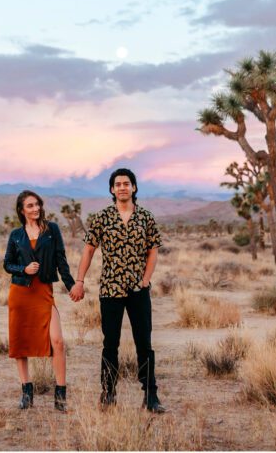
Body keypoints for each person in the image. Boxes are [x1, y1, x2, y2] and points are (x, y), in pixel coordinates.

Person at [70, 168, 165, 413]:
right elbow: (89, 250)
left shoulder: (146, 217)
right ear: (112, 190)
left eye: (127, 183)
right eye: (118, 184)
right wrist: (79, 281)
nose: (123, 187)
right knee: (110, 343)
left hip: (138, 288)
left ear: (134, 187)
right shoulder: (102, 218)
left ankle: (150, 394)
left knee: (144, 342)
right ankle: (108, 392)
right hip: (111, 288)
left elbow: (153, 250)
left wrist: (145, 279)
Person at [2, 189, 77, 411]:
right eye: (30, 206)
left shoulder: (51, 230)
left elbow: (61, 260)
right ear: (21, 210)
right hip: (20, 293)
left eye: (37, 205)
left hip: (43, 291)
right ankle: (26, 392)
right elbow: (7, 264)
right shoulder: (16, 235)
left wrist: (71, 285)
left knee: (58, 342)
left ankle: (60, 395)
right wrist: (23, 269)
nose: (35, 209)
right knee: (20, 344)